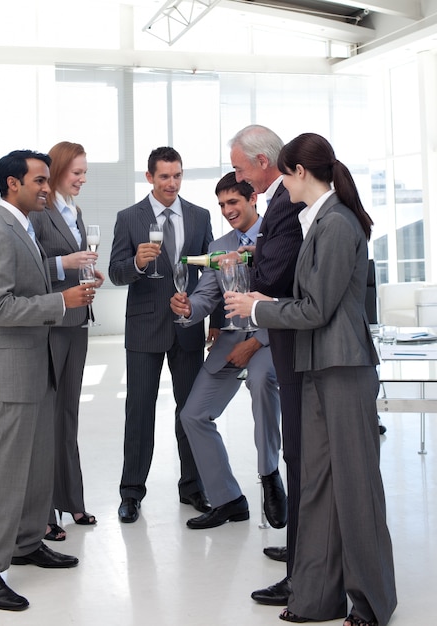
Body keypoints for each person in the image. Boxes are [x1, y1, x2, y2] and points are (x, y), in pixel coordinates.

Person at [225, 132, 397, 626]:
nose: (280, 183)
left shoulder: (338, 223)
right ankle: (318, 597)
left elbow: (318, 308)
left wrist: (260, 307)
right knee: (318, 486)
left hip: (343, 368)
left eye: (284, 173)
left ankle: (371, 605)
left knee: (355, 487)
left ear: (300, 172)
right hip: (317, 366)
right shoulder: (318, 219)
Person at [0, 150, 95, 611]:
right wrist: (63, 302)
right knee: (6, 471)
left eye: (47, 180)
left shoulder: (24, 229)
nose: (47, 188)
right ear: (12, 184)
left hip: (39, 363)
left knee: (38, 462)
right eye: (39, 181)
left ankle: (24, 542)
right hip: (14, 367)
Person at [170, 172, 286, 530]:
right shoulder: (220, 244)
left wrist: (257, 343)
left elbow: (287, 296)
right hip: (229, 344)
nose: (226, 210)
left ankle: (269, 474)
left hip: (268, 338)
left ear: (252, 199)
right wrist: (189, 309)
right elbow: (207, 295)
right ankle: (229, 500)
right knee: (192, 416)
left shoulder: (280, 236)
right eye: (221, 204)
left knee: (262, 382)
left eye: (233, 202)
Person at [108, 146, 213, 523]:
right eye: (165, 176)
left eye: (178, 175)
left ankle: (194, 487)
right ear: (149, 177)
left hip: (187, 327)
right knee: (139, 412)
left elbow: (211, 273)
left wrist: (212, 318)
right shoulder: (129, 218)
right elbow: (116, 272)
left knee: (190, 411)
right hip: (143, 327)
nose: (172, 183)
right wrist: (137, 262)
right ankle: (131, 492)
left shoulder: (199, 217)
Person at [230, 124, 305, 605]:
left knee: (300, 453)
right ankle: (301, 548)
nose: (238, 178)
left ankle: (304, 562)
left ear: (263, 163)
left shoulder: (286, 203)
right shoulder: (281, 203)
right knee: (296, 452)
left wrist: (248, 270)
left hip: (293, 339)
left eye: (239, 167)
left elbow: (277, 272)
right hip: (287, 335)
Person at [30, 141, 104, 541]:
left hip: (78, 321)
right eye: (76, 172)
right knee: (47, 419)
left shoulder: (74, 211)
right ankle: (42, 513)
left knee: (68, 416)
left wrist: (91, 274)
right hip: (53, 324)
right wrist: (66, 263)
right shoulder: (39, 213)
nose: (82, 179)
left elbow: (80, 260)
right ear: (58, 170)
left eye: (84, 172)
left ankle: (71, 500)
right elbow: (29, 266)